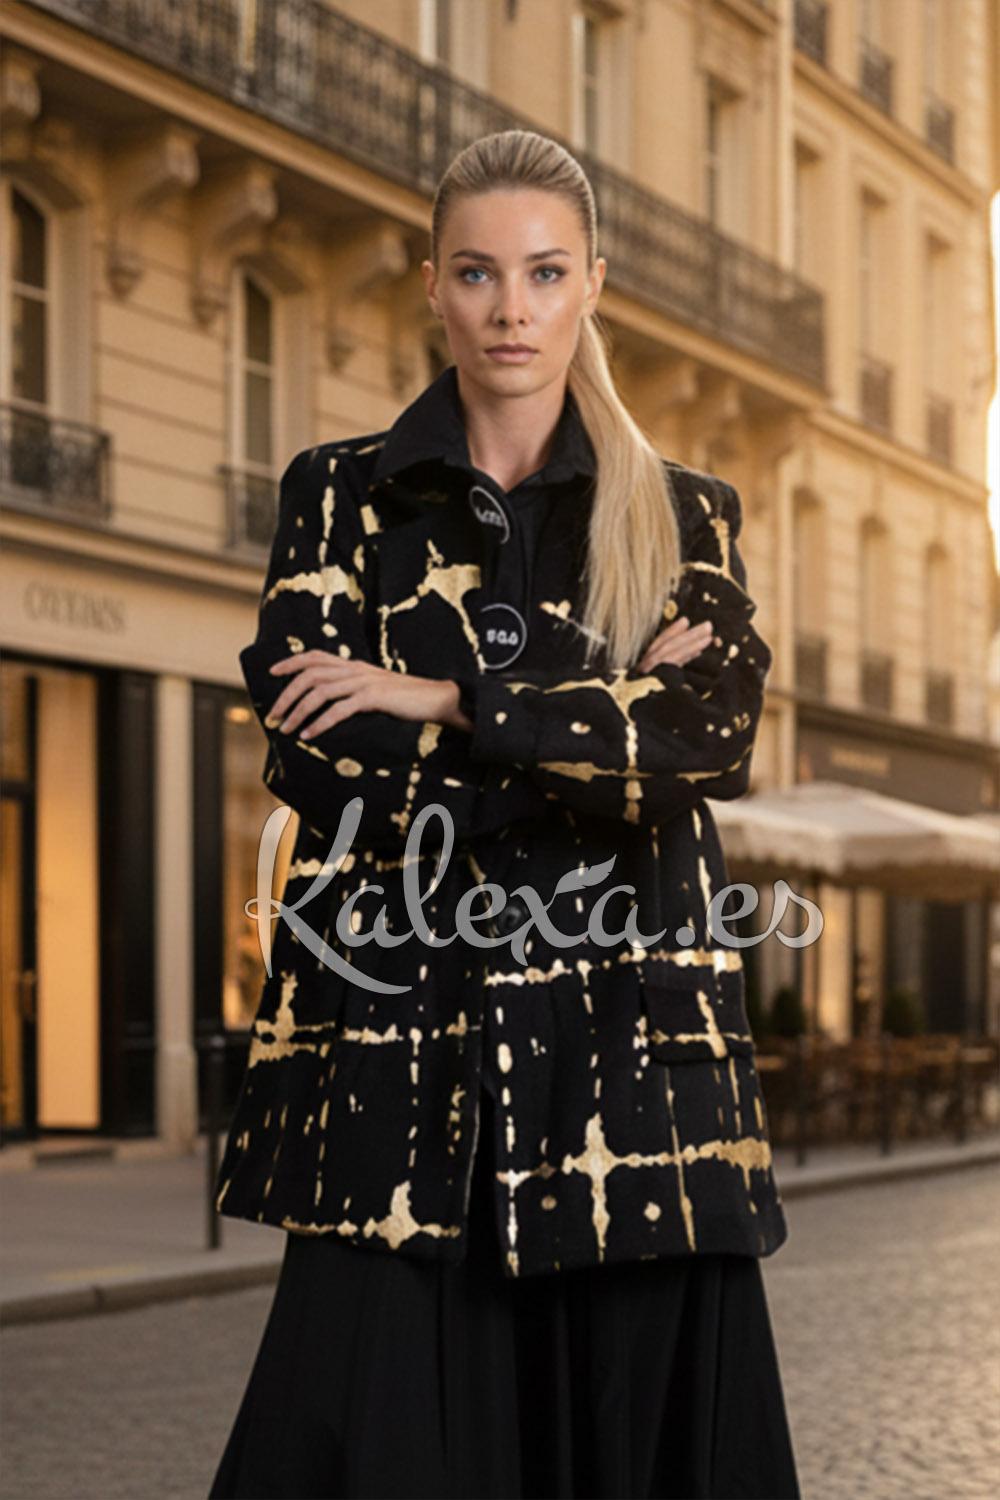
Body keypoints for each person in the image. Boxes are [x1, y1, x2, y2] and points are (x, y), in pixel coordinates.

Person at [209, 128, 800, 1499]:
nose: (510, 309)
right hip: (396, 1063)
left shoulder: (685, 517)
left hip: (633, 1083)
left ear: (592, 283)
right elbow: (321, 750)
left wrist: (446, 699)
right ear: (433, 286)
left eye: (542, 272)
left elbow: (705, 740)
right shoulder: (338, 498)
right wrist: (597, 725)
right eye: (477, 273)